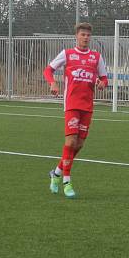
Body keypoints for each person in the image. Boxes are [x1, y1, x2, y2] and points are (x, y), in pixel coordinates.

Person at [43, 22, 108, 198]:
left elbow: (104, 78)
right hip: (71, 103)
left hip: (87, 106)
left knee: (78, 145)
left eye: (88, 35)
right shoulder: (67, 54)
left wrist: (102, 84)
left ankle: (56, 172)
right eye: (82, 35)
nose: (85, 38)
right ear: (76, 36)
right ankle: (66, 181)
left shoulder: (96, 57)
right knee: (70, 142)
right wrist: (53, 83)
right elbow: (48, 70)